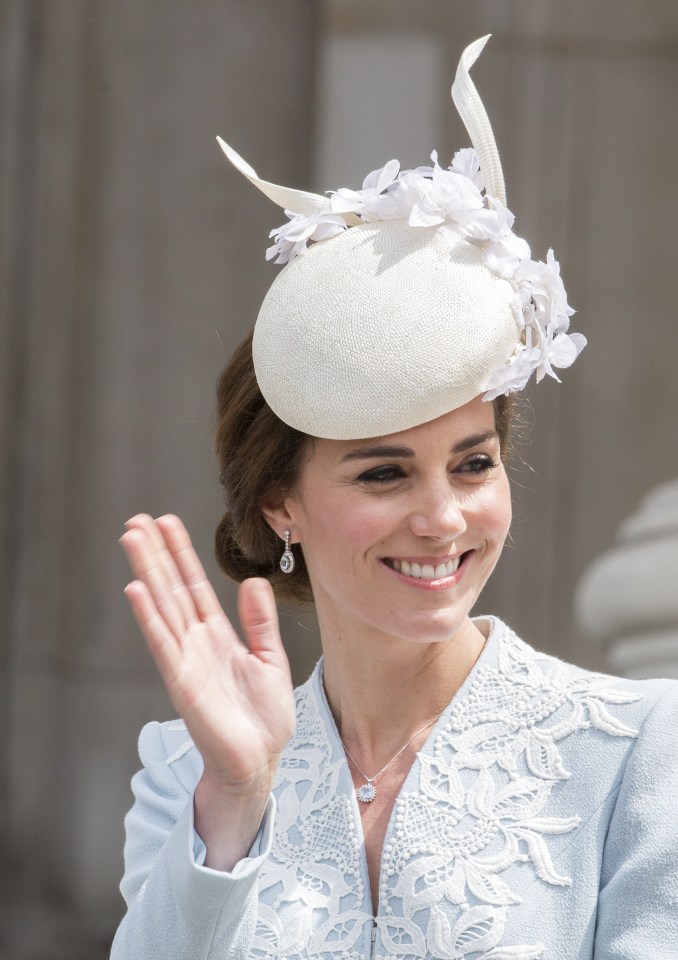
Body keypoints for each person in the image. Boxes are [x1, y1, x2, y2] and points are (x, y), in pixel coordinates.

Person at [111, 36, 678, 960]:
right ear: (278, 505)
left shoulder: (644, 750)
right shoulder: (187, 769)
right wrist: (237, 801)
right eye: (383, 472)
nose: (444, 518)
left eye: (472, 464)